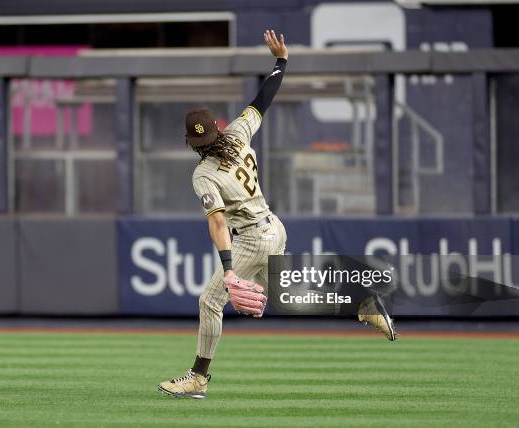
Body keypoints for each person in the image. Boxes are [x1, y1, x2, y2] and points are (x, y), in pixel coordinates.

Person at [158, 29, 396, 400]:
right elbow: (262, 101)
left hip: (253, 235)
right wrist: (281, 61)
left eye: (201, 143)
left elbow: (218, 222)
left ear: (191, 143)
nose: (203, 148)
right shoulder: (237, 134)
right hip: (273, 225)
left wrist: (229, 268)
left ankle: (198, 378)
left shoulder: (203, 172)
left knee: (210, 300)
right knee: (288, 295)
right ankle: (361, 303)